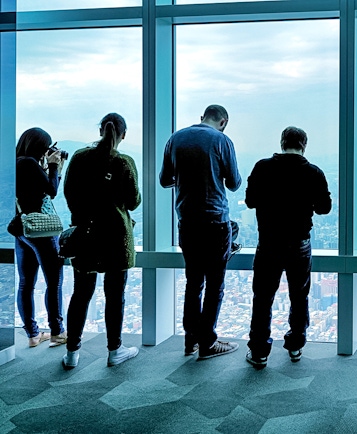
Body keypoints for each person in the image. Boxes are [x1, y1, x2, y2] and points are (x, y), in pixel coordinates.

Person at [160, 104, 242, 360]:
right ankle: (208, 342)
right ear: (223, 121)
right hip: (215, 221)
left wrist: (187, 178)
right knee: (215, 284)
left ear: (201, 118)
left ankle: (191, 340)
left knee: (194, 282)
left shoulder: (175, 139)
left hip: (187, 221)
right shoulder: (222, 140)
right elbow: (234, 182)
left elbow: (165, 180)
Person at [245, 126, 332, 368]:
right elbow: (325, 208)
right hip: (299, 243)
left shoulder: (262, 167)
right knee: (299, 295)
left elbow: (250, 200)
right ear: (304, 145)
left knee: (263, 297)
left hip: (269, 242)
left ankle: (260, 351)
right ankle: (295, 345)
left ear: (282, 142)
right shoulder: (314, 172)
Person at [61, 113, 141, 370]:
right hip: (116, 237)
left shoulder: (79, 157)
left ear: (100, 131)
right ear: (123, 135)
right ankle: (115, 350)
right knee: (115, 295)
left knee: (81, 294)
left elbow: (69, 194)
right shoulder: (124, 163)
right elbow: (133, 202)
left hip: (86, 233)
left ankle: (72, 353)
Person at [13, 127, 67, 348]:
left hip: (22, 228)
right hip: (41, 230)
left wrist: (53, 167)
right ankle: (58, 332)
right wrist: (54, 166)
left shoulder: (15, 163)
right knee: (54, 281)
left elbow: (42, 189)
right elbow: (52, 191)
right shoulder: (29, 163)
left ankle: (33, 334)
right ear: (40, 146)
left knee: (26, 283)